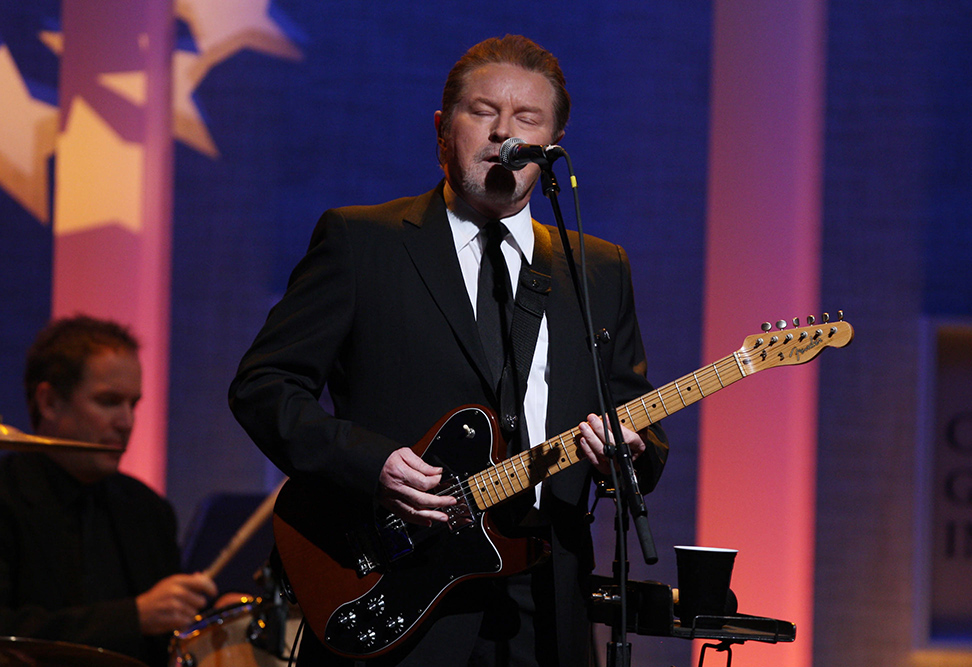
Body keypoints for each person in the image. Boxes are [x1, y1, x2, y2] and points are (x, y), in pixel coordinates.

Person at [229, 35, 668, 666]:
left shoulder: (597, 269)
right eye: (483, 113)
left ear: (552, 144)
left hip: (546, 598)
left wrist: (624, 455)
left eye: (527, 119)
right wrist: (372, 463)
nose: (503, 134)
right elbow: (264, 385)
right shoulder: (363, 242)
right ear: (442, 129)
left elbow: (635, 422)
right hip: (399, 579)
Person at [0, 316, 219, 666]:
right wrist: (133, 617)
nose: (127, 423)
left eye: (133, 404)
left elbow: (167, 637)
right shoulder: (6, 495)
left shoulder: (148, 509)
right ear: (49, 402)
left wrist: (209, 621)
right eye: (108, 402)